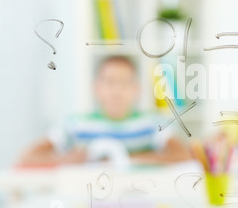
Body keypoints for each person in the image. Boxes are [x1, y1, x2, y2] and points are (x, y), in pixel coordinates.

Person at [16, 55, 192, 167]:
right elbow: (28, 157)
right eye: (109, 82)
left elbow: (182, 154)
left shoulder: (154, 123)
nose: (116, 90)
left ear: (136, 89)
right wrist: (68, 160)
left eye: (124, 82)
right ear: (97, 88)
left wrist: (129, 160)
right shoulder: (76, 125)